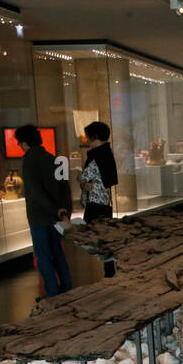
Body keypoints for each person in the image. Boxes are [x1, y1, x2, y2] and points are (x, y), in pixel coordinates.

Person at [15, 124, 72, 298]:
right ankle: (67, 288)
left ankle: (53, 293)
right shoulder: (51, 158)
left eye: (19, 142)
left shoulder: (29, 160)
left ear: (24, 143)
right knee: (57, 253)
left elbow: (35, 192)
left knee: (43, 256)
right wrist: (63, 211)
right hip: (55, 217)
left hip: (39, 216)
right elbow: (65, 188)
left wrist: (55, 209)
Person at [78, 121, 119, 277]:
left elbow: (84, 178)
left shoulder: (96, 157)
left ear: (94, 136)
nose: (87, 140)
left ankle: (110, 272)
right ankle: (110, 271)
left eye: (88, 137)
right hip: (104, 201)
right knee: (103, 238)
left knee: (100, 239)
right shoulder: (107, 153)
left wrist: (82, 182)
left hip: (96, 203)